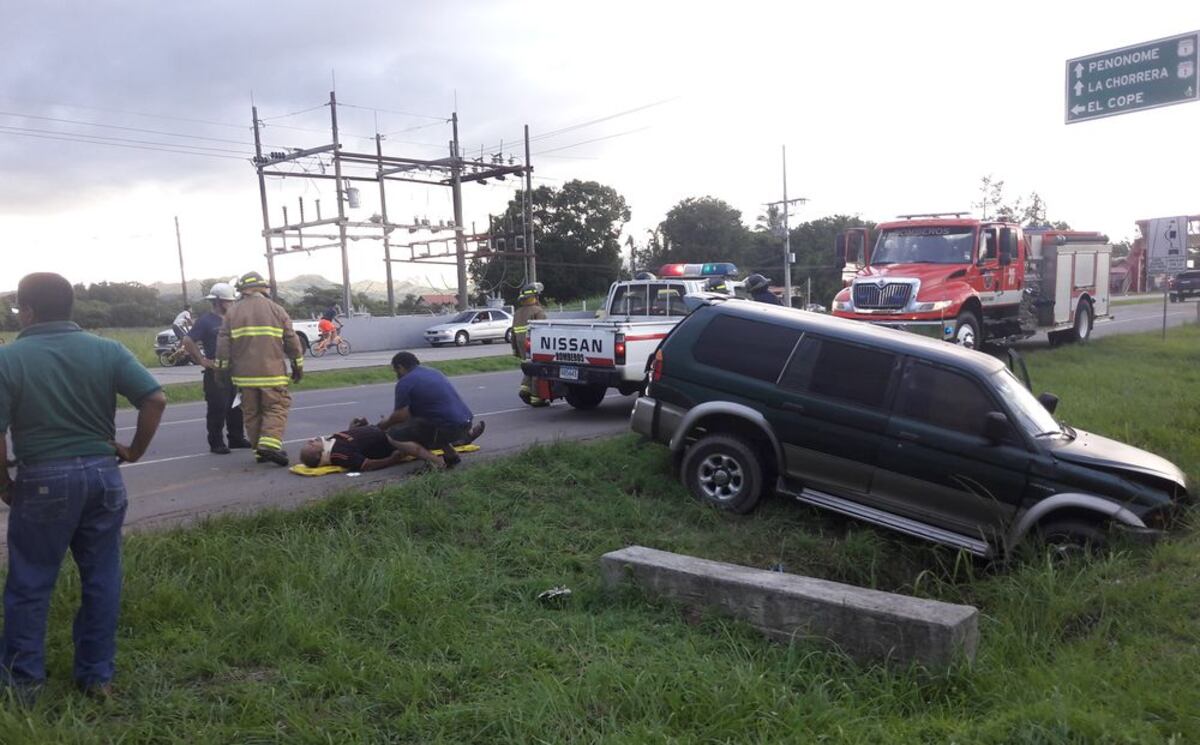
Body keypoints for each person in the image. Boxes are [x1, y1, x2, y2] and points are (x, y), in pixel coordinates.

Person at [0, 273, 166, 703]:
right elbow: (155, 398)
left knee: (30, 582)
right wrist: (134, 451)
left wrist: (4, 483)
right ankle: (96, 677)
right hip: (103, 477)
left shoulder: (8, 359)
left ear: (28, 311)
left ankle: (23, 687)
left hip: (43, 480)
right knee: (101, 577)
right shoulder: (107, 350)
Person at [215, 271, 304, 466]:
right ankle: (269, 445)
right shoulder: (277, 310)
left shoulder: (232, 313)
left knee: (252, 413)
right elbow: (292, 340)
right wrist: (297, 365)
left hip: (244, 377)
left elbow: (222, 345)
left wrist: (220, 371)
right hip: (272, 373)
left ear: (243, 291)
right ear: (263, 289)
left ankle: (260, 452)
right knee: (276, 407)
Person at [378, 352, 485, 470]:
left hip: (449, 429)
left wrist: (385, 424)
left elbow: (401, 416)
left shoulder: (405, 382)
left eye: (396, 371)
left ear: (400, 367)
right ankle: (451, 455)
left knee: (394, 435)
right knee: (429, 423)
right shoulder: (433, 372)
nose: (397, 375)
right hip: (466, 423)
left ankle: (437, 462)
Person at [182, 282, 251, 455]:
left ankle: (236, 438)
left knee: (236, 405)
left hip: (235, 371)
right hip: (216, 372)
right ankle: (216, 442)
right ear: (218, 301)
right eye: (229, 301)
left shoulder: (233, 319)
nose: (232, 304)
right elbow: (188, 341)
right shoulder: (206, 321)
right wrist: (202, 360)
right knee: (218, 407)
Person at [511, 282, 548, 406]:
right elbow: (543, 331)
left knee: (528, 367)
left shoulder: (517, 312)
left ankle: (525, 389)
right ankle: (537, 399)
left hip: (521, 345)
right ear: (535, 297)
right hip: (534, 345)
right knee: (537, 369)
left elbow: (513, 333)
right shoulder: (538, 311)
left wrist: (514, 349)